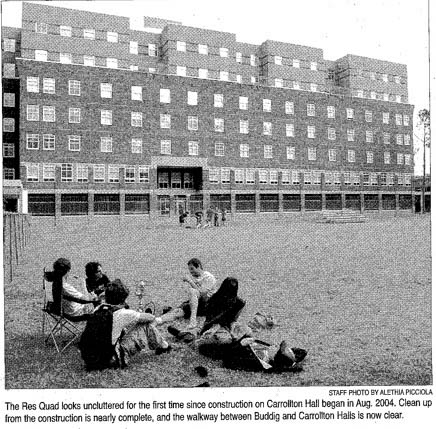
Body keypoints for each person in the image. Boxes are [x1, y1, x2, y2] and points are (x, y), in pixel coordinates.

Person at [169, 277, 307, 372]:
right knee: (229, 337)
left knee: (238, 335)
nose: (282, 348)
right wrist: (221, 328)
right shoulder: (215, 300)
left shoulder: (238, 302)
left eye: (284, 351)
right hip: (214, 326)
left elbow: (233, 321)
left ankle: (185, 335)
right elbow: (210, 320)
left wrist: (236, 332)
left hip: (229, 335)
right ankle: (186, 335)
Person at [79, 279, 170, 370]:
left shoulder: (98, 309)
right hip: (110, 360)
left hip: (90, 360)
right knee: (146, 326)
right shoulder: (123, 313)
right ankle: (165, 347)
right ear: (123, 299)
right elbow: (150, 318)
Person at [160, 258, 218, 329]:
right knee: (179, 310)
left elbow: (202, 292)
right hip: (199, 303)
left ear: (198, 266)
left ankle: (193, 321)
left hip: (208, 303)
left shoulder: (209, 277)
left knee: (192, 291)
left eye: (192, 269)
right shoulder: (197, 277)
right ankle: (158, 320)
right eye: (190, 270)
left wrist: (190, 281)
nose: (191, 272)